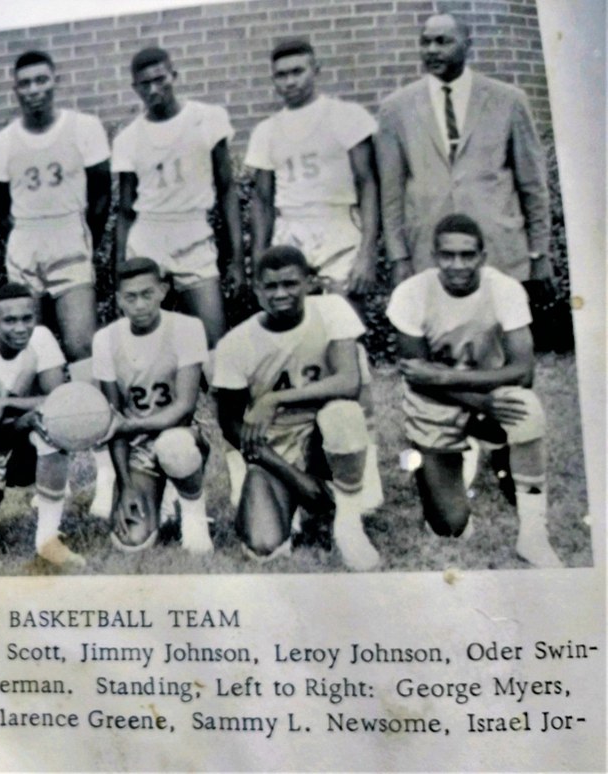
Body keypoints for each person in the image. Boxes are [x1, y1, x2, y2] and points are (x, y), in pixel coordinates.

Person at [386, 213, 562, 567]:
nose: (457, 264)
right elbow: (419, 377)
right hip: (437, 403)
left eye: (467, 255)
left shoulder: (505, 288)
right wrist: (464, 392)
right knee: (449, 527)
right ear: (434, 256)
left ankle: (532, 535)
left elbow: (522, 371)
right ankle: (455, 455)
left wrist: (447, 378)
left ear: (483, 256)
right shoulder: (410, 294)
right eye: (448, 255)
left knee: (525, 406)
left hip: (485, 393)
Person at [213, 246, 382, 571]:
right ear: (258, 289)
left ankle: (347, 523)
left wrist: (275, 398)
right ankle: (303, 501)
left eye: (290, 284)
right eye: (271, 286)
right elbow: (230, 425)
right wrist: (294, 479)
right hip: (277, 447)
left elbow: (348, 382)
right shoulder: (236, 342)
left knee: (342, 413)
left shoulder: (332, 310)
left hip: (324, 438)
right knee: (263, 546)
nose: (281, 294)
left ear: (308, 282)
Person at [376, 13, 552, 290]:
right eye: (425, 42)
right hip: (430, 254)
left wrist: (539, 251)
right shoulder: (395, 108)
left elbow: (533, 183)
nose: (432, 50)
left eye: (443, 41)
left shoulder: (508, 100)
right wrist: (399, 257)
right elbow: (391, 193)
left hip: (500, 250)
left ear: (468, 44)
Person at [0, 50, 111, 383]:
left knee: (81, 342)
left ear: (56, 81)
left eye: (41, 80)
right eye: (25, 83)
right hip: (26, 238)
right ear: (15, 89)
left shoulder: (84, 127)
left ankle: (91, 415)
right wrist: (20, 239)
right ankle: (40, 417)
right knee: (27, 341)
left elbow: (101, 195)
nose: (34, 89)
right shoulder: (2, 143)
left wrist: (86, 238)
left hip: (69, 231)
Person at [112, 46, 245, 350]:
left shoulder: (207, 119)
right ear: (135, 88)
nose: (154, 88)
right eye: (144, 84)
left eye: (160, 79)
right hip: (148, 236)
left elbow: (227, 189)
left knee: (214, 338)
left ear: (174, 75)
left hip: (193, 231)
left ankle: (218, 394)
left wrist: (236, 259)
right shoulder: (128, 138)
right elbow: (126, 210)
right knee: (147, 341)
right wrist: (120, 267)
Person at [0, 283, 83, 569]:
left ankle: (47, 538)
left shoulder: (42, 338)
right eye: (9, 320)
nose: (21, 327)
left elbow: (57, 401)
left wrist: (5, 405)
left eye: (27, 318)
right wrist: (21, 414)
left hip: (23, 451)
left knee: (53, 422)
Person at [246, 37, 379, 306]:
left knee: (345, 319)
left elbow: (368, 184)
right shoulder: (266, 131)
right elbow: (262, 199)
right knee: (295, 324)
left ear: (316, 69)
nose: (290, 82)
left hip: (338, 224)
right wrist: (259, 258)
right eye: (281, 75)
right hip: (290, 230)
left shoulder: (347, 115)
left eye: (298, 71)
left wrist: (368, 252)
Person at [92, 258, 212, 553]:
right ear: (119, 299)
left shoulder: (187, 327)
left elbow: (184, 407)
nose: (140, 305)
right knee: (131, 542)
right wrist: (125, 486)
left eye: (147, 294)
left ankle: (193, 512)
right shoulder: (105, 340)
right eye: (130, 297)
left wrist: (130, 425)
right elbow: (114, 419)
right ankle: (156, 492)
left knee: (174, 447)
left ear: (163, 290)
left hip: (179, 435)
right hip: (137, 448)